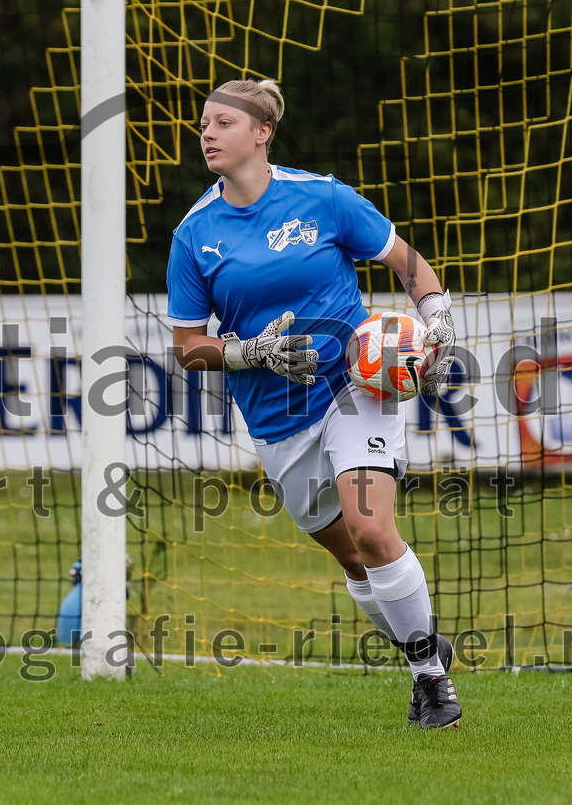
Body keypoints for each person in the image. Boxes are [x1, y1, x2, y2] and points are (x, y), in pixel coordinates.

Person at [166, 78, 462, 729]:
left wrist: (436, 318)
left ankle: (430, 682)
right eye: (204, 123)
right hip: (275, 419)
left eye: (221, 122)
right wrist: (251, 354)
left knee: (372, 528)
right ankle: (422, 645)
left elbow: (407, 262)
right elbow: (187, 346)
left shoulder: (322, 197)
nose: (207, 133)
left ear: (261, 132)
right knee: (352, 554)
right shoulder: (194, 235)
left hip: (354, 387)